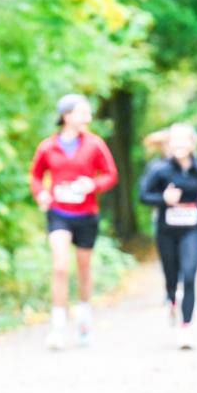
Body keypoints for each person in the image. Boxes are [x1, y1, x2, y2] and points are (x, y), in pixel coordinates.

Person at [30, 94, 118, 348]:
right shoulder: (47, 147)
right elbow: (36, 176)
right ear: (67, 116)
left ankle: (84, 320)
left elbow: (110, 174)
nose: (88, 118)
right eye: (83, 113)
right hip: (59, 213)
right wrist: (42, 194)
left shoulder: (95, 144)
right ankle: (57, 326)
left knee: (83, 269)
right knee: (59, 266)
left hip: (86, 214)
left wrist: (93, 184)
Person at [139, 124, 197, 349]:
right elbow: (143, 195)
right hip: (166, 231)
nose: (179, 145)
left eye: (184, 140)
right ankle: (172, 298)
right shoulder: (159, 169)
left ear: (193, 144)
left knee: (190, 275)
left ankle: (186, 328)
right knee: (171, 277)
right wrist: (163, 199)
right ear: (169, 144)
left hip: (192, 229)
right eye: (175, 140)